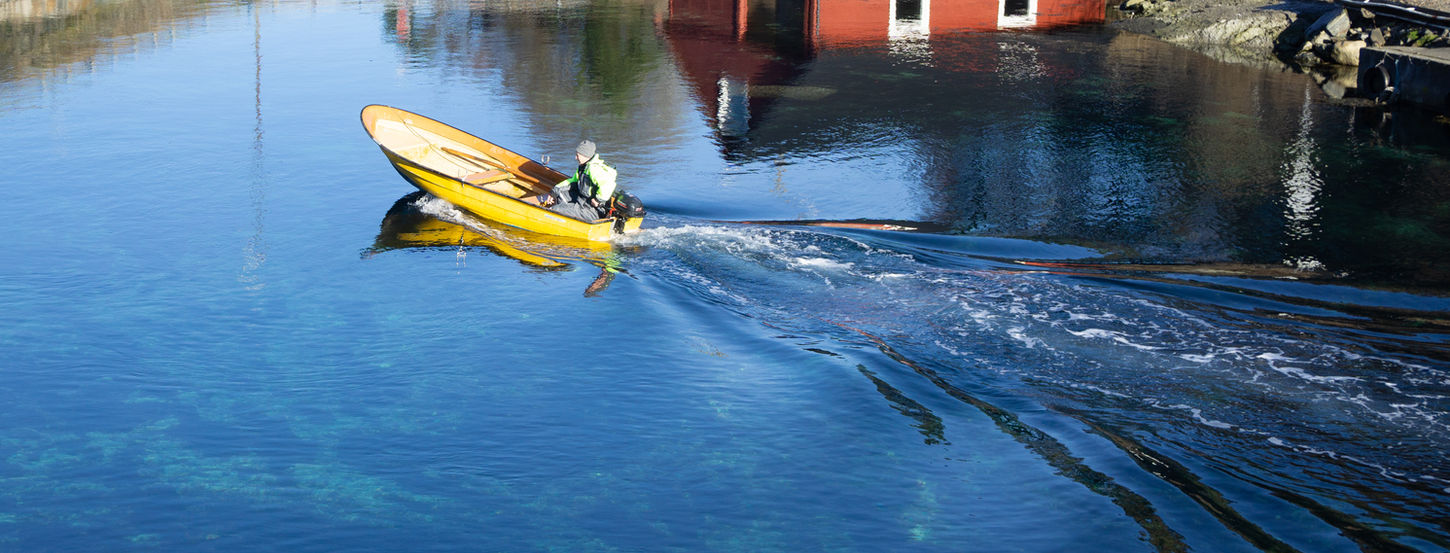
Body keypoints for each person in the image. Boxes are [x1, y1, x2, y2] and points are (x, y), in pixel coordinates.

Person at [536, 140, 617, 221]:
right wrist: (553, 192)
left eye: (577, 155)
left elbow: (608, 184)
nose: (575, 158)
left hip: (594, 210)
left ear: (585, 155)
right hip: (583, 201)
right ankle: (568, 214)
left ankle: (560, 216)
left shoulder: (594, 169)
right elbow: (572, 181)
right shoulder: (584, 167)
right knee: (559, 195)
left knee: (556, 210)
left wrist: (598, 200)